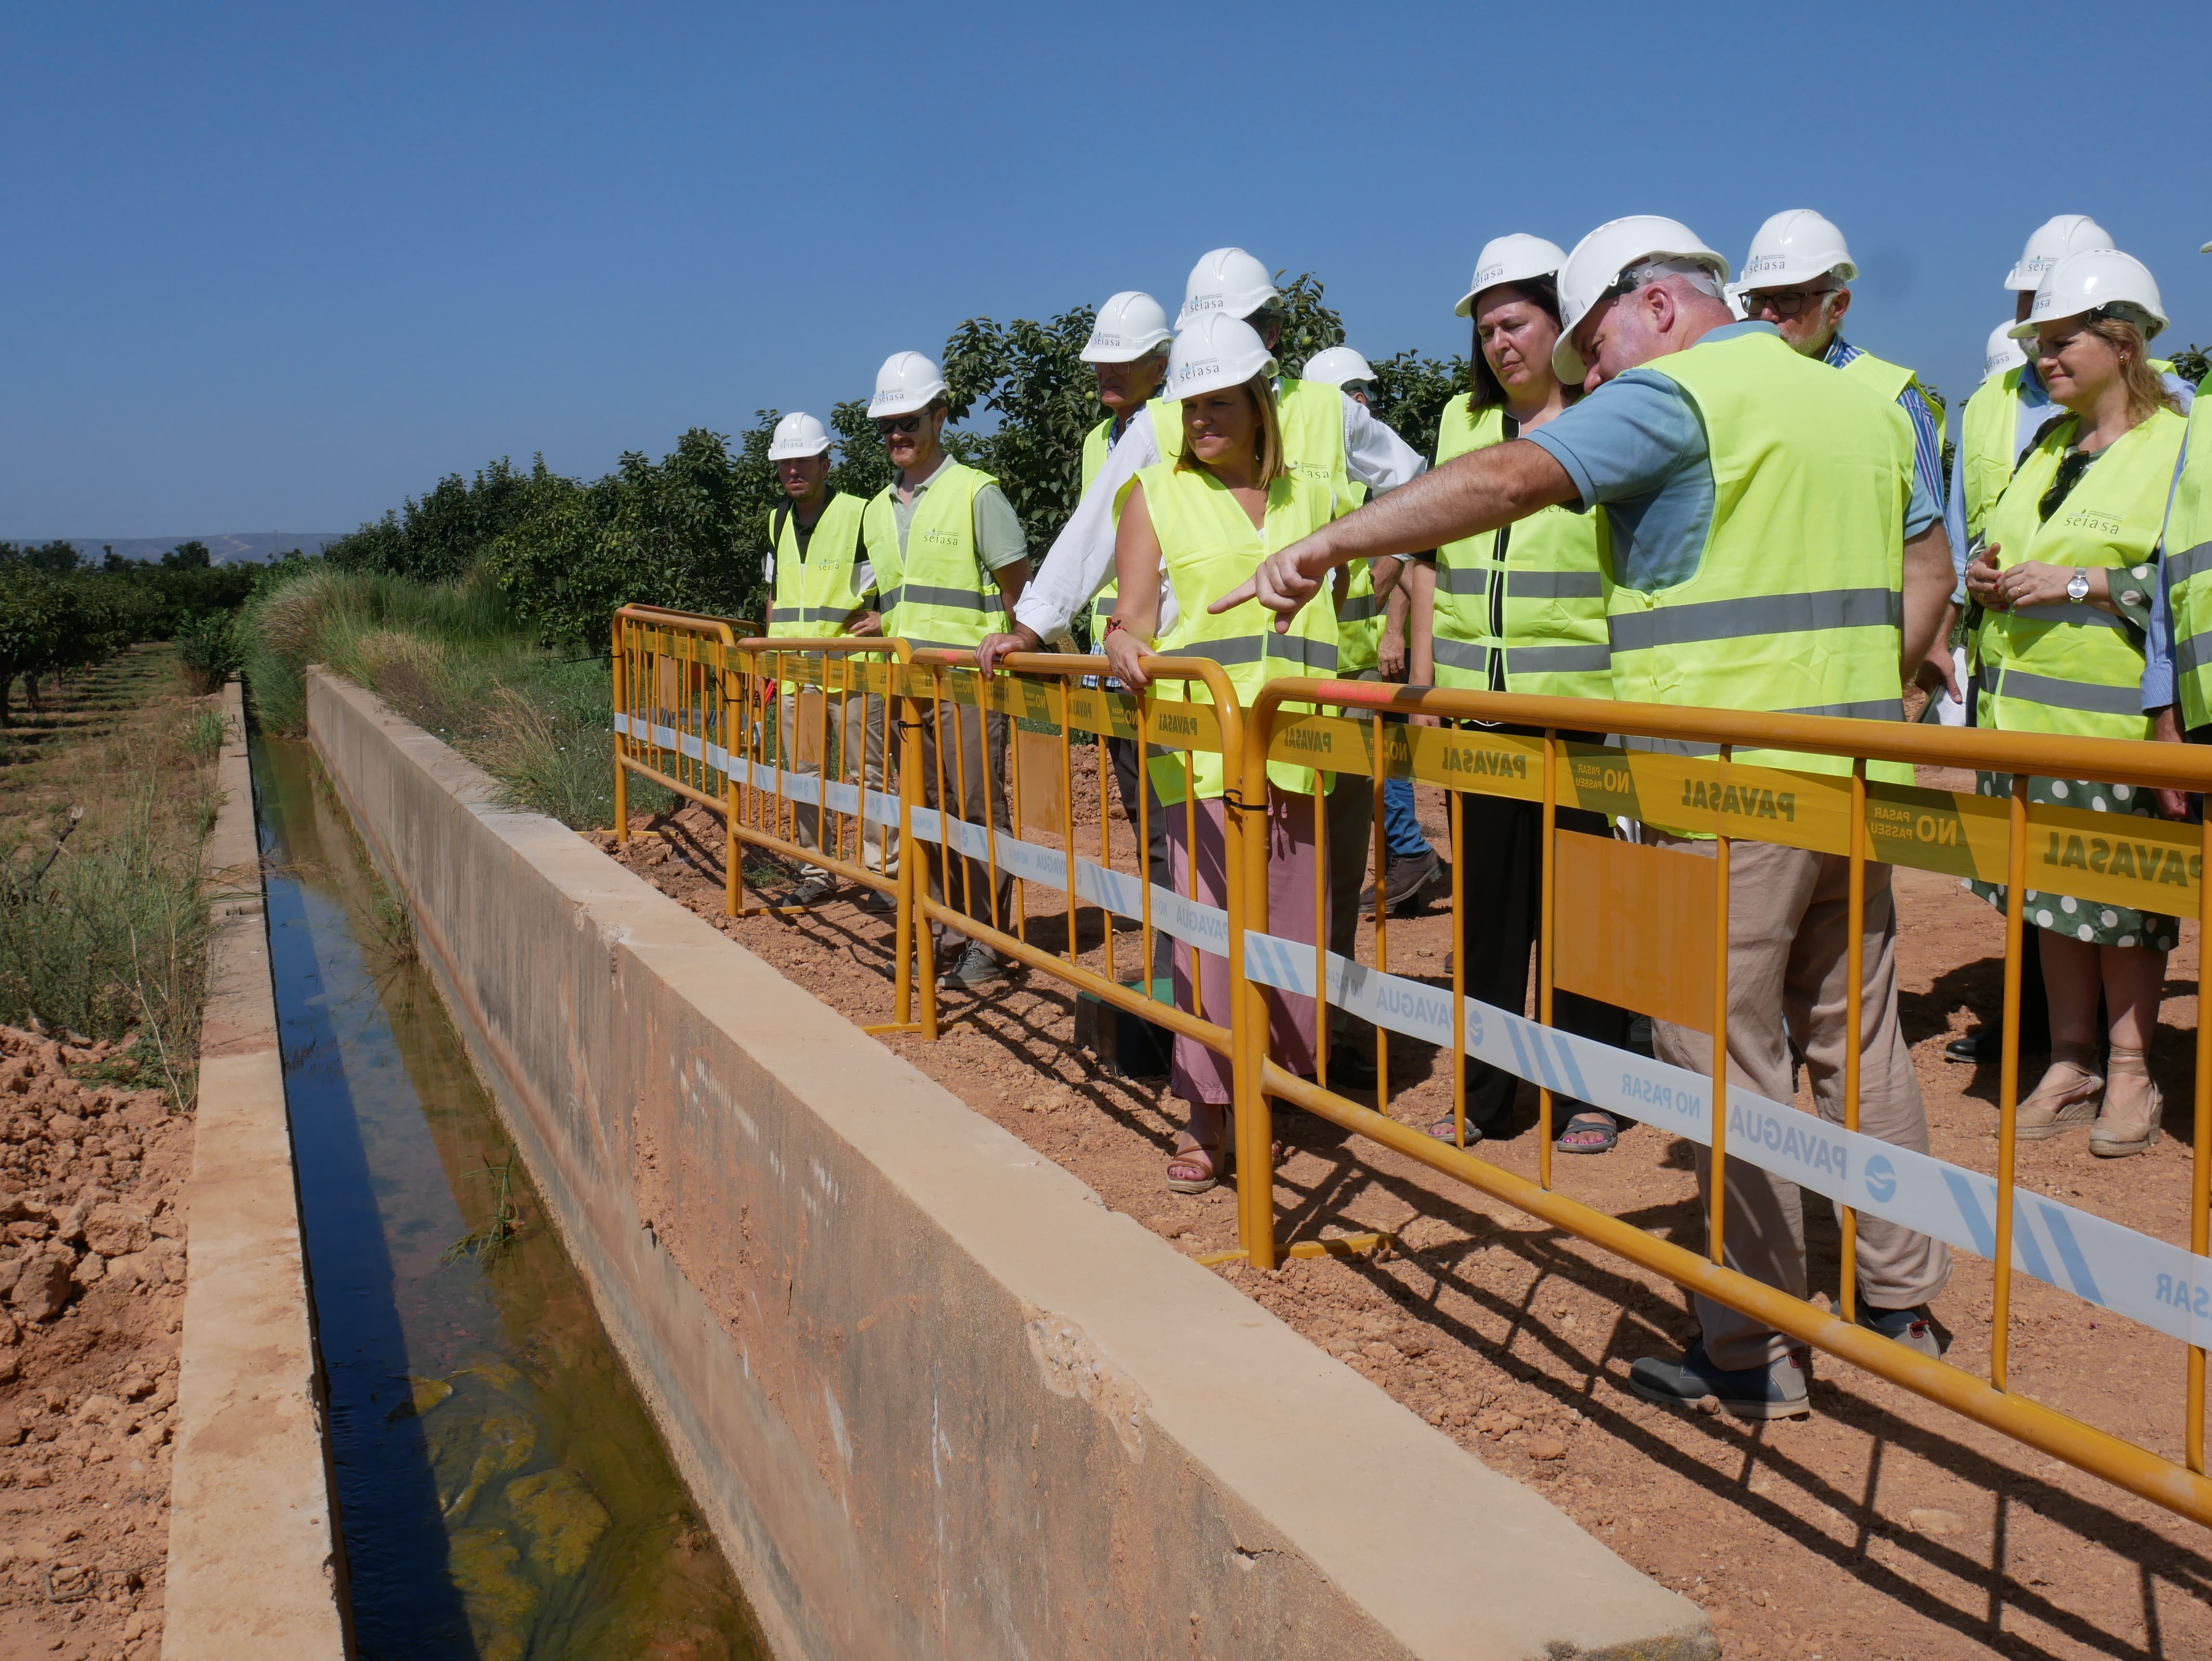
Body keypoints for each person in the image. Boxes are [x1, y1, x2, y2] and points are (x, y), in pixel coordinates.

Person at [1211, 214, 1957, 1414]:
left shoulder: (1685, 393)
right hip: (1854, 774)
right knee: (1854, 1035)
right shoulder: (1861, 405)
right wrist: (1890, 690)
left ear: (1655, 304)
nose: (1593, 376)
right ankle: (1902, 1299)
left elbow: (1512, 477)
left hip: (1722, 787)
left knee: (1718, 1053)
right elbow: (1929, 568)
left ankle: (1752, 1345)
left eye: (1594, 348)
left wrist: (1332, 539)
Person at [977, 249, 1426, 1081]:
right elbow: (1093, 530)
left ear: (1271, 338)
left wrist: (1385, 573)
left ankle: (1308, 1051)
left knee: (1319, 893)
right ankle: (1218, 1066)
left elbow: (1414, 487)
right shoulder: (1168, 420)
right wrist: (1033, 624)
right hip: (1211, 714)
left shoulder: (1328, 412)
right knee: (1209, 898)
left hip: (1320, 697)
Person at [1098, 311, 1343, 1192]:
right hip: (1204, 758)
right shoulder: (1152, 495)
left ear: (1259, 404)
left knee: (1288, 941)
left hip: (1298, 751)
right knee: (1208, 944)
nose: (1201, 420)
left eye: (1219, 404)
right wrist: (1120, 644)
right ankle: (1206, 1116)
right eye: (1190, 406)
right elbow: (1132, 615)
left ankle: (1268, 1101)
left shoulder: (1312, 500)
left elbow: (1370, 576)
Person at [1402, 232, 1631, 1155]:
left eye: (1517, 323)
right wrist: (1426, 682)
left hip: (1578, 713)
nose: (1500, 344)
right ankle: (1487, 1094)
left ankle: (1589, 1092)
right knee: (1488, 916)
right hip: (1478, 716)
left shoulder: (1607, 419)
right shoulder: (1460, 425)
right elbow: (1428, 562)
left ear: (1559, 323)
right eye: (1487, 329)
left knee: (1584, 910)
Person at [1965, 249, 2187, 1159]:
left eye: (2061, 342)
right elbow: (2013, 546)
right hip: (2023, 727)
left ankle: (2131, 1071)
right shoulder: (2049, 448)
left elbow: (2185, 584)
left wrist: (2081, 582)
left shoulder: (2177, 448)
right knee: (2049, 899)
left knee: (2123, 904)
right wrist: (1985, 577)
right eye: (2038, 343)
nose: (2043, 358)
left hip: (2113, 727)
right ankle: (2070, 1060)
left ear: (2122, 343)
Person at [859, 351, 1033, 991]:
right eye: (887, 425)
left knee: (975, 809)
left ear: (939, 417)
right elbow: (899, 599)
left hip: (966, 684)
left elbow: (1019, 590)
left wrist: (1017, 641)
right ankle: (942, 929)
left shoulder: (976, 493)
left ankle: (986, 939)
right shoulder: (877, 510)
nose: (896, 435)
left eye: (908, 421)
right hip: (909, 687)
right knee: (925, 811)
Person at [1303, 344, 1442, 910]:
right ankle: (1403, 857)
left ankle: (1406, 854)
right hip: (1324, 656)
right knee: (1361, 770)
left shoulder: (1373, 467)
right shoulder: (1324, 468)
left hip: (1356, 654)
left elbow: (1408, 557)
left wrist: (1391, 633)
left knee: (1370, 766)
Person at [762, 411, 890, 905]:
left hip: (853, 671)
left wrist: (885, 618)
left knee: (868, 775)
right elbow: (775, 595)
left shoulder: (861, 514)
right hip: (798, 674)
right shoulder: (777, 519)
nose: (793, 471)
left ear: (825, 463)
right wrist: (768, 658)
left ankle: (884, 874)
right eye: (785, 463)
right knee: (806, 775)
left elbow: (896, 578)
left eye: (803, 461)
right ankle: (815, 871)